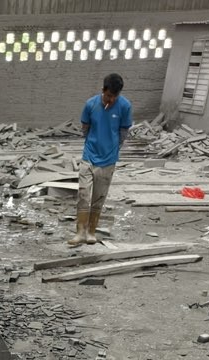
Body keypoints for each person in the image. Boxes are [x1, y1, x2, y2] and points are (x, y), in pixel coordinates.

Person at [68, 73, 133, 246]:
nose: (111, 100)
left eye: (114, 96)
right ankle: (80, 232)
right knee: (83, 194)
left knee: (98, 197)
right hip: (89, 156)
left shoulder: (125, 106)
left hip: (108, 159)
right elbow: (85, 128)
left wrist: (113, 148)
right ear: (103, 90)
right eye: (108, 95)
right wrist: (93, 143)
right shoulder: (91, 104)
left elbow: (123, 132)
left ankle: (91, 232)